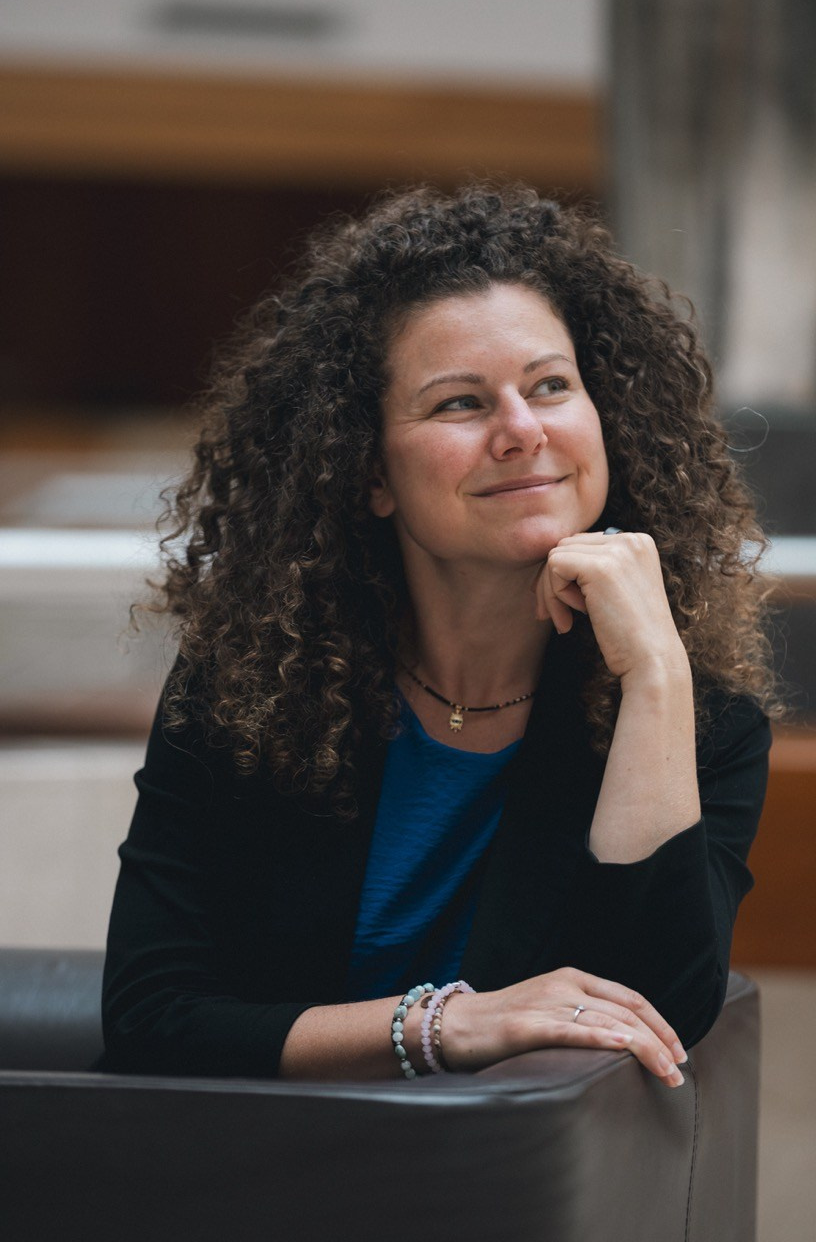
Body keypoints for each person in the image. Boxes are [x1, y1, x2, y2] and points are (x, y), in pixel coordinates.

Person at [102, 184, 779, 1086]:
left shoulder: (702, 722)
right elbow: (149, 1016)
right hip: (265, 1157)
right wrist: (434, 1025)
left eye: (550, 386)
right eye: (460, 403)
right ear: (369, 472)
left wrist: (654, 676)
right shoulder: (250, 692)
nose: (522, 431)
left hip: (508, 1172)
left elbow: (654, 1016)